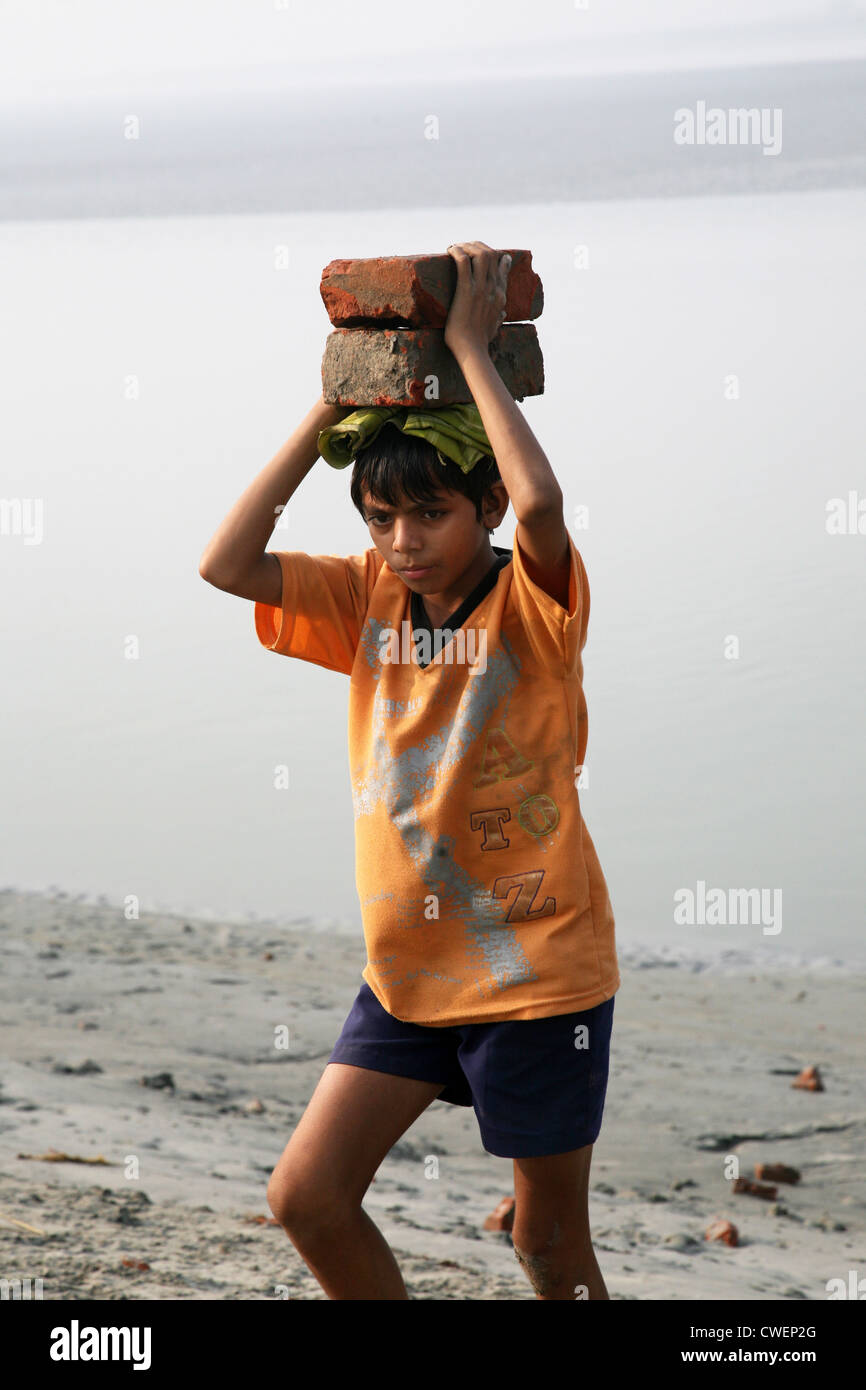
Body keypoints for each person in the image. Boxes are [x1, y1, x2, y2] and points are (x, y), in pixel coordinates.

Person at [198, 240, 620, 1300]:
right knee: (307, 1196)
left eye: (428, 513)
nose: (402, 540)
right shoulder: (364, 600)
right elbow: (224, 562)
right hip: (405, 971)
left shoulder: (534, 603)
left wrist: (472, 351)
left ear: (476, 510)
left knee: (546, 1244)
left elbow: (540, 507)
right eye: (381, 519)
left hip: (534, 972)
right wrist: (327, 407)